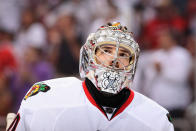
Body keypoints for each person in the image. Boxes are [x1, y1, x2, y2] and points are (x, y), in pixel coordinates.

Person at [7, 22, 174, 131]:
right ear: (88, 55)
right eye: (106, 51)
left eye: (123, 54)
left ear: (133, 64)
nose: (114, 59)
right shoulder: (46, 97)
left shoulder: (156, 119)